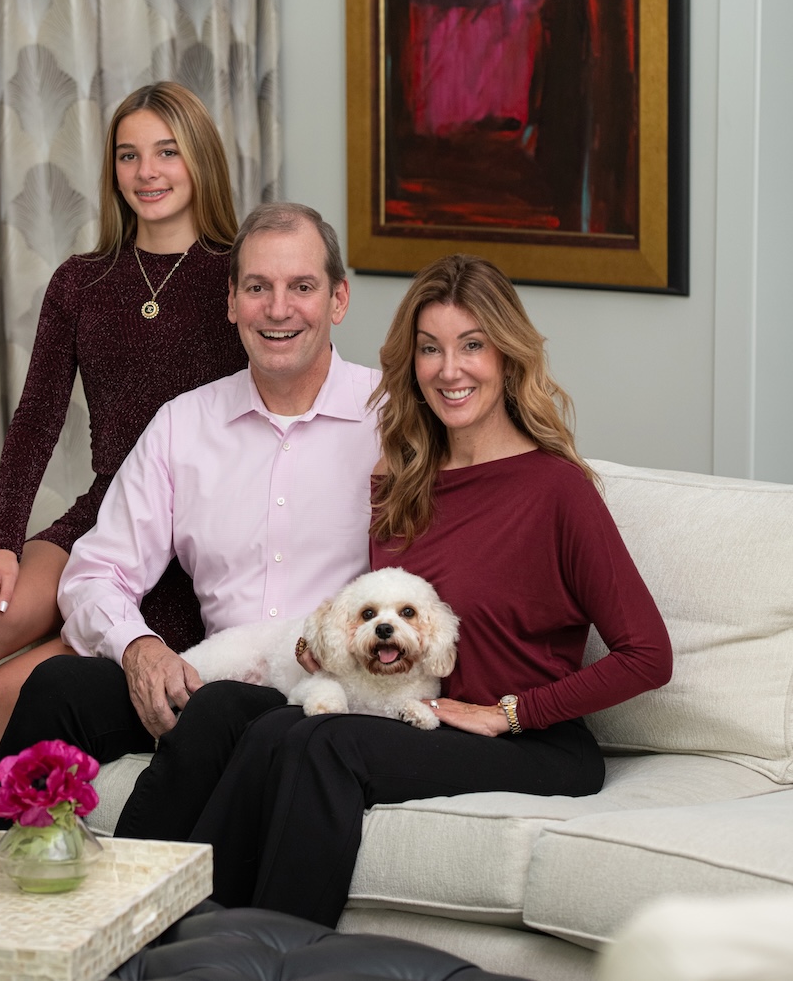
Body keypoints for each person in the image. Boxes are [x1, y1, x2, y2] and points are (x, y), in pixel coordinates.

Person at [180, 252, 673, 927]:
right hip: (416, 715)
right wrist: (321, 649)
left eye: (472, 345)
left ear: (507, 356)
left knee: (321, 745)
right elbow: (382, 623)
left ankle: (272, 954)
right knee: (241, 716)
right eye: (430, 349)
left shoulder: (557, 490)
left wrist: (509, 714)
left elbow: (649, 655)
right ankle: (173, 934)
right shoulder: (403, 482)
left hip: (534, 746)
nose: (449, 370)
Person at [0, 82, 247, 824]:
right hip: (100, 510)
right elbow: (36, 420)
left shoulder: (240, 279)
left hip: (181, 543)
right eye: (128, 155)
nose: (147, 172)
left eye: (167, 152)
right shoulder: (82, 281)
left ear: (201, 160)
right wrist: (2, 544)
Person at [0, 202, 383, 833]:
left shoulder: (392, 418)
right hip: (216, 672)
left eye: (301, 287)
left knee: (219, 713)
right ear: (232, 303)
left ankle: (142, 892)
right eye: (258, 287)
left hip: (329, 692)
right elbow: (94, 573)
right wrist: (138, 647)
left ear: (338, 300)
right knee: (57, 686)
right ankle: (13, 884)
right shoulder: (184, 424)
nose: (278, 309)